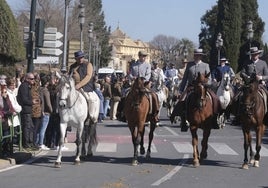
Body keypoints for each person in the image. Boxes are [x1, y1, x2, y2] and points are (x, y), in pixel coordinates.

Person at [177, 48, 221, 131]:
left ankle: (215, 118)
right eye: (196, 55)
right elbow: (185, 78)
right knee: (182, 100)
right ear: (194, 56)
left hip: (203, 87)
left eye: (199, 55)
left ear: (201, 56)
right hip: (191, 87)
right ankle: (183, 120)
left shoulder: (206, 65)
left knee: (215, 98)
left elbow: (210, 79)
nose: (197, 56)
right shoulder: (189, 65)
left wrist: (206, 84)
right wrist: (180, 90)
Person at [233, 47, 268, 125]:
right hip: (248, 85)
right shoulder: (247, 62)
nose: (254, 56)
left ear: (258, 54)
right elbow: (242, 72)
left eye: (255, 54)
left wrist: (261, 77)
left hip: (260, 84)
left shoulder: (263, 63)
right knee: (237, 97)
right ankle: (238, 115)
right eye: (253, 54)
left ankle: (266, 115)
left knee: (266, 95)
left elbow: (267, 75)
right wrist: (247, 77)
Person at [68, 50, 100, 124]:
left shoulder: (88, 65)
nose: (80, 59)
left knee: (91, 99)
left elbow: (88, 77)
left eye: (81, 57)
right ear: (75, 59)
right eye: (79, 58)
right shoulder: (72, 66)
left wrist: (79, 85)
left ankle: (92, 116)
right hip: (73, 88)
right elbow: (69, 77)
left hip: (86, 88)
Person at [128, 50, 159, 123]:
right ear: (139, 56)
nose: (144, 58)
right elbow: (130, 73)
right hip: (134, 84)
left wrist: (143, 80)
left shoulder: (148, 65)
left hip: (144, 84)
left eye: (145, 56)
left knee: (153, 95)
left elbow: (148, 74)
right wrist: (133, 77)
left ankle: (154, 113)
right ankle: (123, 112)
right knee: (126, 94)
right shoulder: (134, 65)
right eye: (143, 56)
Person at [17, 72, 39, 150]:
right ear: (26, 79)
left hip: (28, 110)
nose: (33, 80)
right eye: (31, 79)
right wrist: (31, 102)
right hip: (25, 110)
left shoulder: (28, 86)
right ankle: (26, 144)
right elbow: (24, 99)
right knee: (27, 127)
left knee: (30, 127)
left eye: (34, 78)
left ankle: (30, 143)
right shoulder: (24, 86)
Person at [36, 75, 52, 150]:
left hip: (39, 111)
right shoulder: (45, 91)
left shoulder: (38, 89)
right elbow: (48, 103)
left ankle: (37, 142)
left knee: (39, 129)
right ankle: (41, 143)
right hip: (46, 112)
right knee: (43, 129)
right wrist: (51, 111)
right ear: (47, 82)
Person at [0, 85, 16, 156]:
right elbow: (1, 110)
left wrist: (12, 112)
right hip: (2, 120)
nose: (5, 93)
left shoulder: (7, 98)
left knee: (8, 136)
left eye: (6, 92)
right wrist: (5, 113)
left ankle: (7, 150)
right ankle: (3, 151)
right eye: (4, 92)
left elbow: (11, 107)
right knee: (3, 137)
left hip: (7, 120)